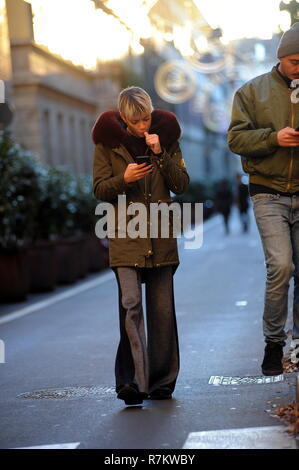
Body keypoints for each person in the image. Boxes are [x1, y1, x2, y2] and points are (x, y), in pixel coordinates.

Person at [92, 86, 189, 405]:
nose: (143, 126)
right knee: (130, 305)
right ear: (123, 119)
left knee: (162, 313)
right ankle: (132, 382)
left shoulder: (168, 137)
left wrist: (160, 154)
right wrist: (126, 178)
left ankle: (162, 382)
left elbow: (181, 184)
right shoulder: (107, 144)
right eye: (136, 122)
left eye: (147, 119)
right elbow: (99, 190)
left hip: (160, 236)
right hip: (125, 237)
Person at [227, 22, 299, 376]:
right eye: (295, 62)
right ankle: (274, 343)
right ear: (281, 60)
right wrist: (274, 138)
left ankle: (297, 347)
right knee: (282, 266)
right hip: (268, 192)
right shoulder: (252, 92)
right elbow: (236, 140)